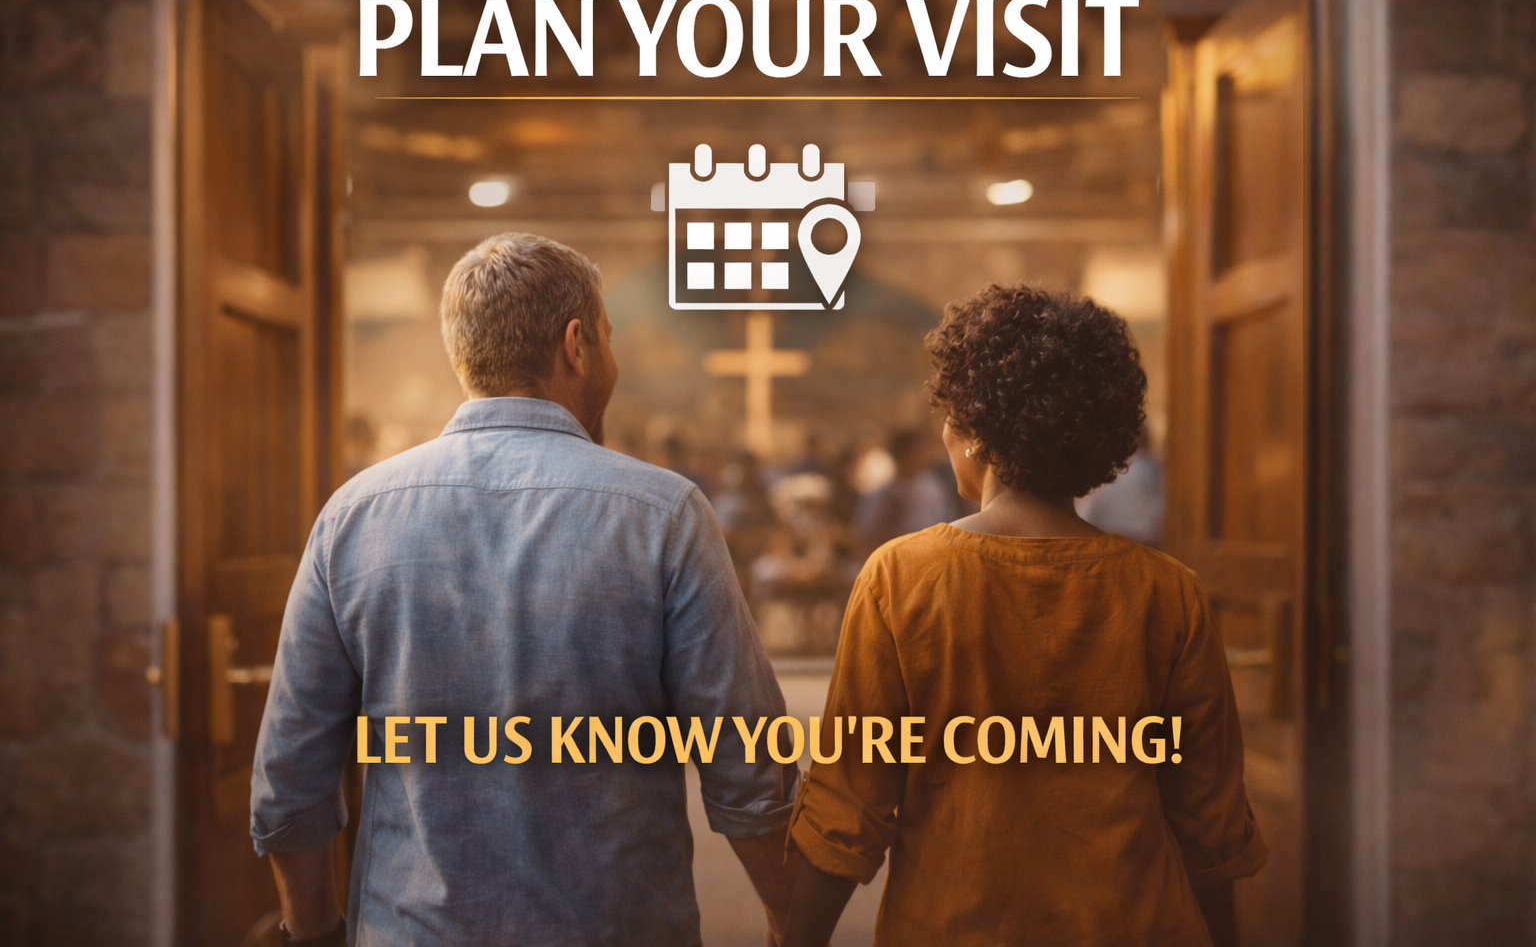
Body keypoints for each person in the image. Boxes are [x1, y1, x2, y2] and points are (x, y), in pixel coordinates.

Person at [251, 233, 798, 946]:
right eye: (607, 338)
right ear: (576, 344)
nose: (613, 360)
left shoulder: (354, 517)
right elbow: (747, 767)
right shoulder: (663, 515)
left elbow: (290, 777)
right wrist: (795, 924)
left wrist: (316, 932)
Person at [782, 284, 1266, 947]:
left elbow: (849, 806)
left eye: (949, 414)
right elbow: (1208, 824)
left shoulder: (901, 579)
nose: (945, 431)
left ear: (976, 429)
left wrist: (794, 936)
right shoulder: (1168, 595)